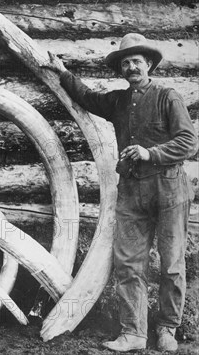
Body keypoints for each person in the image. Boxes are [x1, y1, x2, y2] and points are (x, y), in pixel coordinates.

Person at [44, 33, 197, 352]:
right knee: (128, 262)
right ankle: (133, 333)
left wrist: (150, 153)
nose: (131, 67)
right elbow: (86, 97)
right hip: (131, 191)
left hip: (169, 187)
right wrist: (62, 73)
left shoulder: (168, 96)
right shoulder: (117, 102)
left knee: (170, 264)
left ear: (149, 64)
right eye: (125, 62)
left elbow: (188, 142)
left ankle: (167, 328)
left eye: (136, 61)